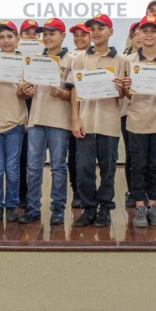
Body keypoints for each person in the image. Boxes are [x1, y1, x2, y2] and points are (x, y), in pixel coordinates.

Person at [69, 13, 126, 228]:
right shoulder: (79, 58)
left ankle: (104, 208)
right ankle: (89, 208)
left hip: (109, 123)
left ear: (111, 31)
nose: (95, 32)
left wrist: (121, 89)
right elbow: (74, 90)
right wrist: (75, 119)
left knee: (108, 169)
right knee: (84, 169)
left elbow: (121, 95)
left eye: (100, 28)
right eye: (92, 28)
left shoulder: (120, 60)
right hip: (85, 122)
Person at [122, 15, 156, 227]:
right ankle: (139, 207)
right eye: (144, 31)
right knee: (138, 166)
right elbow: (126, 95)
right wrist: (125, 87)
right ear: (138, 34)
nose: (148, 34)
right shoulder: (129, 60)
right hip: (136, 119)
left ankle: (153, 205)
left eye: (153, 30)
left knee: (155, 166)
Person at [20, 17, 74, 224]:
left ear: (62, 35)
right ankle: (33, 208)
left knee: (58, 167)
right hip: (36, 119)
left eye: (53, 33)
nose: (48, 37)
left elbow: (74, 94)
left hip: (59, 121)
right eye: (45, 34)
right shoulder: (34, 58)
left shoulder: (71, 60)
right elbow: (27, 91)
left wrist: (62, 94)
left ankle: (58, 209)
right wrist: (26, 91)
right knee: (33, 167)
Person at [0, 20, 28, 223]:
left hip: (16, 122)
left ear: (17, 39)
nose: (6, 40)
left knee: (12, 167)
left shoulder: (26, 63)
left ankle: (11, 205)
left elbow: (30, 92)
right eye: (1, 37)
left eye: (9, 36)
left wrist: (25, 92)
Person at [67, 20, 91, 208]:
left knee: (89, 160)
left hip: (93, 114)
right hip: (72, 114)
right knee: (74, 156)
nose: (79, 38)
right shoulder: (70, 58)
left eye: (83, 34)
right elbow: (71, 89)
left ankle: (90, 194)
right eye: (76, 35)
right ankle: (77, 191)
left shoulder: (96, 57)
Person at [18, 19, 40, 208]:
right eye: (27, 33)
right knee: (23, 158)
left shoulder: (46, 58)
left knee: (37, 162)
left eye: (35, 33)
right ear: (20, 38)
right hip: (20, 112)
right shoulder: (13, 60)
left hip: (42, 112)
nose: (32, 36)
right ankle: (22, 196)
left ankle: (35, 199)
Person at [122, 23, 141, 208]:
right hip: (127, 111)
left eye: (143, 33)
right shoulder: (124, 59)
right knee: (131, 154)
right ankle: (132, 190)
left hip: (149, 112)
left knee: (145, 157)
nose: (141, 37)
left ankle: (144, 193)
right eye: (136, 34)